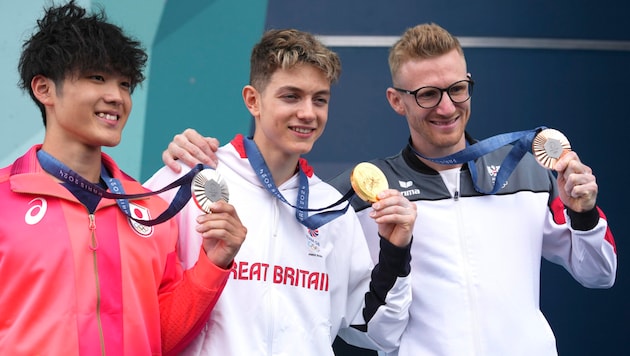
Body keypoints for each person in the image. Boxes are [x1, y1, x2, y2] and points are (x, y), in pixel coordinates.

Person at [162, 23, 618, 356]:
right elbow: (372, 326)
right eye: (426, 94)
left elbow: (601, 274)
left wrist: (583, 214)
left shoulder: (529, 175)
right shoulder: (350, 197)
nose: (446, 107)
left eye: (457, 89)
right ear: (396, 100)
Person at [145, 29, 416, 355]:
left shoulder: (332, 208)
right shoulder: (191, 179)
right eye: (291, 96)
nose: (308, 113)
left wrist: (394, 253)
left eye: (320, 100)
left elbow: (374, 330)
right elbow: (138, 310)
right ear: (252, 100)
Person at [0, 1, 246, 355]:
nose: (116, 97)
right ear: (44, 89)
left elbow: (162, 337)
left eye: (126, 84)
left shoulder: (151, 208)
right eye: (97, 78)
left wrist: (214, 262)